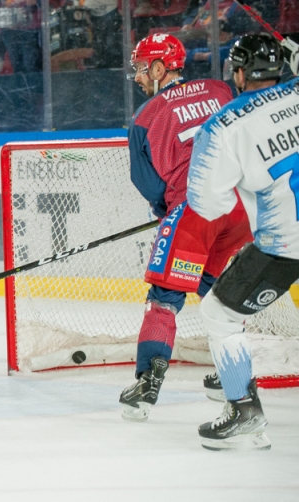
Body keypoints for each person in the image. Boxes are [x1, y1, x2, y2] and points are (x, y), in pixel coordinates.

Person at [118, 33, 250, 422]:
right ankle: (234, 380)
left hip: (196, 210)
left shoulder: (144, 118)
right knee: (218, 294)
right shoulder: (221, 89)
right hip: (242, 208)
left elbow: (151, 188)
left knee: (165, 297)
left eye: (142, 69)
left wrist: (169, 213)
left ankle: (147, 381)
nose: (138, 77)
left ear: (160, 68)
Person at [187, 33, 295, 451]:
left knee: (219, 313)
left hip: (285, 244)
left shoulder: (223, 126)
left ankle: (244, 409)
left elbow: (207, 204)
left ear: (238, 73)